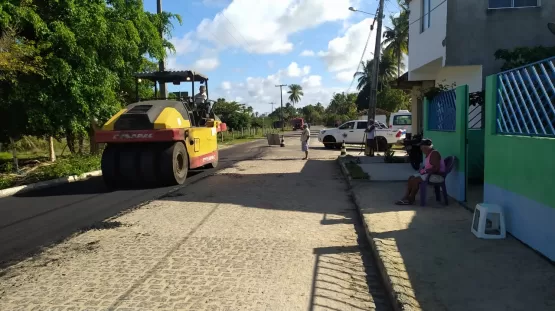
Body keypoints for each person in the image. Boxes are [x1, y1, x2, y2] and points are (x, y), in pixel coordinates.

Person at [396, 138, 445, 205]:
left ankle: (411, 198)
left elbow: (436, 168)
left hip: (436, 176)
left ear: (425, 147)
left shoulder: (434, 154)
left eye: (421, 147)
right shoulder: (428, 153)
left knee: (416, 180)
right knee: (411, 178)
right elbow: (429, 166)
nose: (421, 149)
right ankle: (407, 196)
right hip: (429, 174)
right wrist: (423, 171)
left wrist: (425, 171)